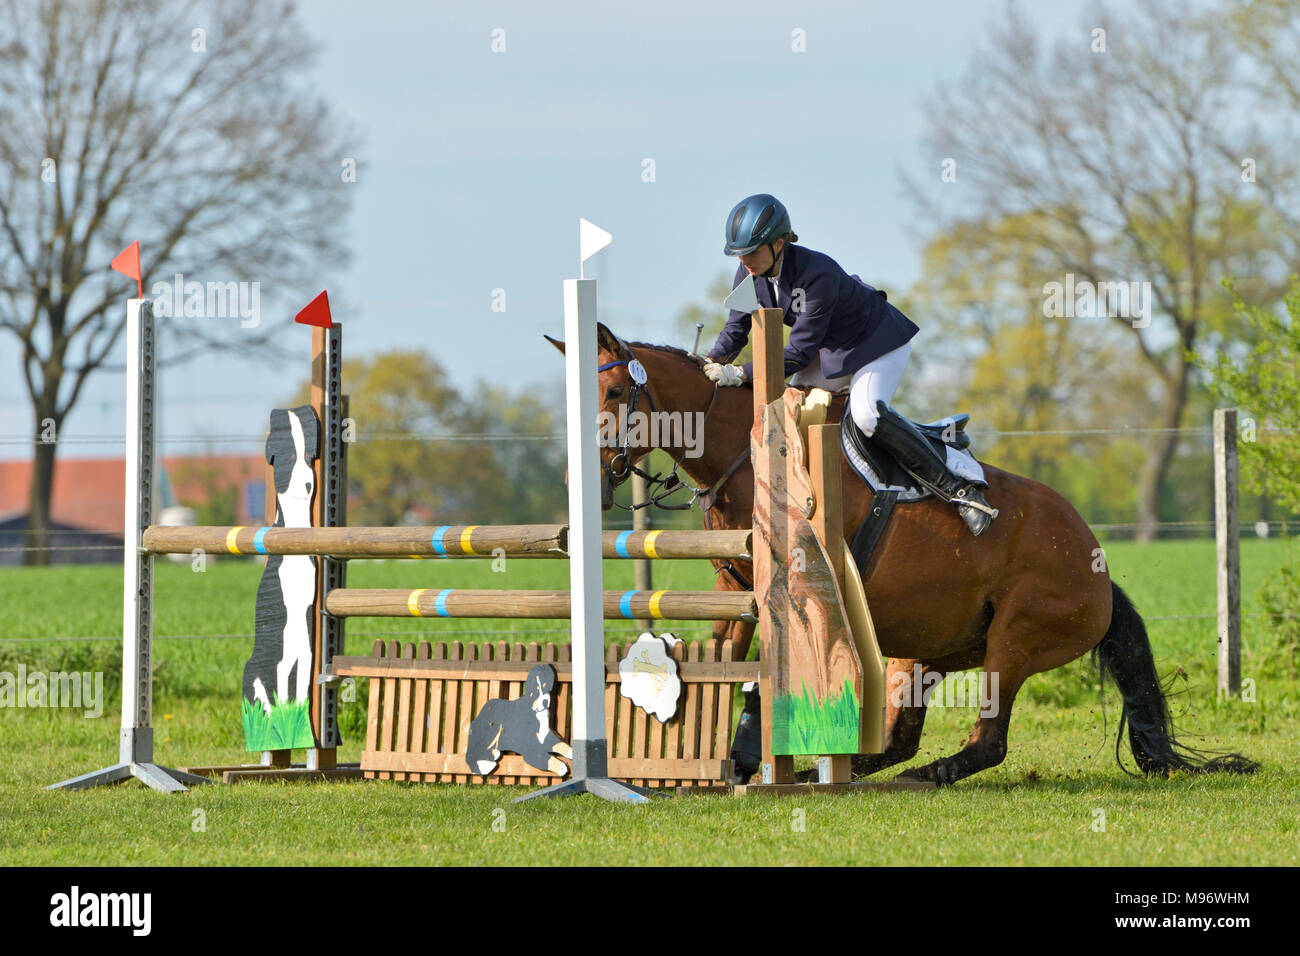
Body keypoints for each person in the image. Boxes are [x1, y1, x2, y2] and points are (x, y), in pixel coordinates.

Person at [704, 193, 996, 536]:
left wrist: (739, 374)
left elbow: (796, 353)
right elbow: (736, 328)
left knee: (867, 414)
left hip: (875, 344)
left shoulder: (818, 274)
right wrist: (710, 362)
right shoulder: (747, 271)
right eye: (740, 254)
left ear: (779, 243)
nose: (745, 261)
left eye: (751, 252)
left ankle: (960, 491)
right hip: (829, 348)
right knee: (791, 412)